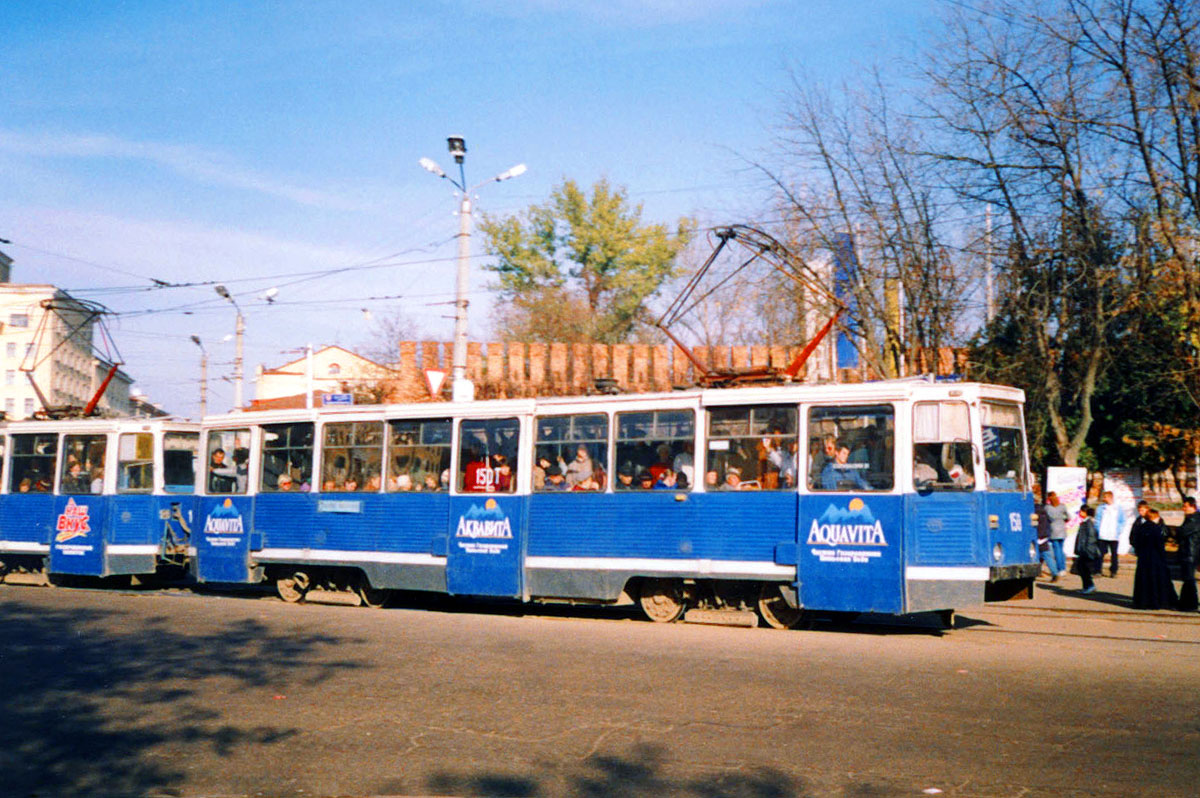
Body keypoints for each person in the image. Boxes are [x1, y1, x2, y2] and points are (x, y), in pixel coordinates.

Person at [1130, 507, 1178, 610]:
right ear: (1155, 517)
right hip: (1155, 558)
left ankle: (1142, 602)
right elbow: (1159, 545)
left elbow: (1134, 541)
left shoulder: (1140, 528)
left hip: (1143, 558)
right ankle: (1155, 602)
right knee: (1155, 580)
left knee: (1143, 580)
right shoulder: (1157, 529)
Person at [1094, 490, 1126, 577]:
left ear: (1110, 497)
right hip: (1103, 534)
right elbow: (1097, 520)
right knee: (1100, 554)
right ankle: (1098, 570)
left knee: (1114, 554)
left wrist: (1118, 530)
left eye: (1105, 497)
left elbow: (1122, 521)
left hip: (1114, 535)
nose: (1104, 499)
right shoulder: (1101, 508)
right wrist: (1098, 530)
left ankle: (1113, 571)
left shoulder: (1118, 508)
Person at [1175, 496, 1199, 612]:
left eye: (1185, 506)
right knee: (1187, 578)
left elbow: (1182, 532)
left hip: (1191, 553)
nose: (1183, 508)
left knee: (1189, 579)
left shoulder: (1195, 519)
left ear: (1192, 507)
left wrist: (1178, 531)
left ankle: (1190, 604)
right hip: (1187, 552)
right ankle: (1186, 602)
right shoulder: (1189, 518)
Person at [1073, 504, 1100, 595]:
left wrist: (1087, 549)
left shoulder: (1088, 523)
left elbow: (1091, 537)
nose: (1080, 513)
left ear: (1085, 512)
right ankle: (1086, 586)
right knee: (1081, 568)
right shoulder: (1085, 522)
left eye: (1081, 511)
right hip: (1083, 550)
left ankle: (1090, 586)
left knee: (1084, 568)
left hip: (1087, 550)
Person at [1043, 491, 1069, 580]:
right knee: (1061, 549)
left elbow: (1046, 519)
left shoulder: (1047, 508)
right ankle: (1063, 568)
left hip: (1053, 529)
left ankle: (1059, 568)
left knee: (1056, 550)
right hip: (1062, 528)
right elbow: (1068, 517)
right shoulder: (1062, 506)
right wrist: (1063, 520)